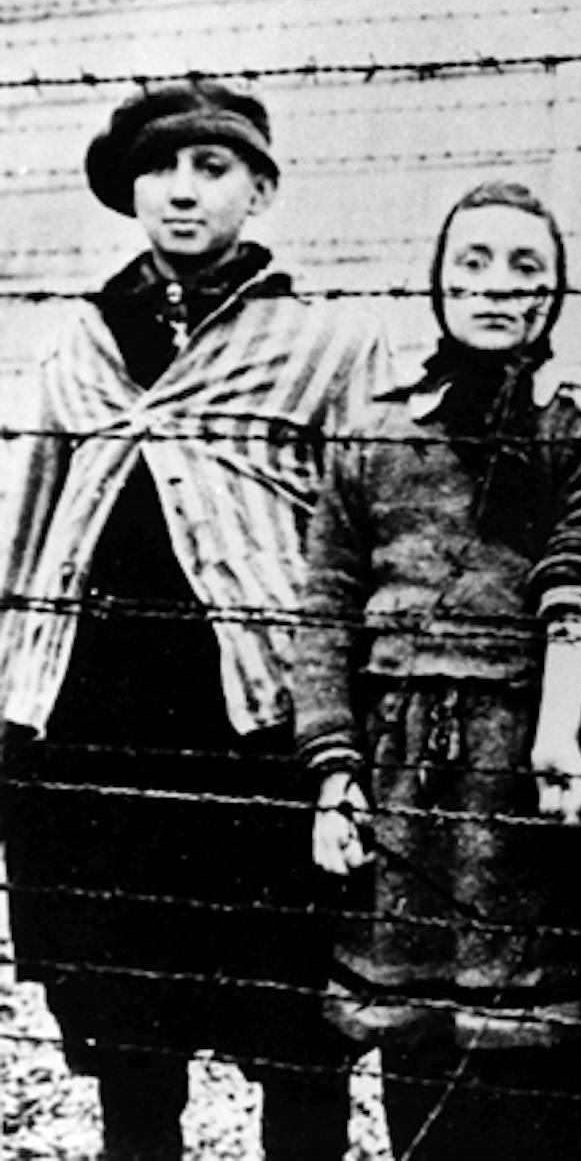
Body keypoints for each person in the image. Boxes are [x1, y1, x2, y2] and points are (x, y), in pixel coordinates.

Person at [0, 81, 389, 1161]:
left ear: (260, 189)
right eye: (163, 168)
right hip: (100, 734)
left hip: (253, 740)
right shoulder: (82, 344)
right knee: (131, 1041)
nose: (184, 189)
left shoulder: (319, 344)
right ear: (130, 189)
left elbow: (356, 533)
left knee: (293, 1033)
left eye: (213, 168)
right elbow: (30, 536)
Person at [290, 181, 581, 1161]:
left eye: (526, 267)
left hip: (527, 779)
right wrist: (334, 771)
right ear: (439, 286)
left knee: (547, 1069)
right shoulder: (373, 437)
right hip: (405, 783)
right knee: (420, 1060)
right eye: (472, 264)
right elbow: (323, 612)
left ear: (558, 291)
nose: (496, 287)